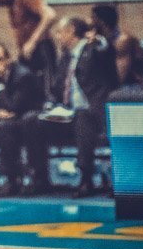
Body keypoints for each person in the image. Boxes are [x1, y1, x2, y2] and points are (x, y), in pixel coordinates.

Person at [23, 17, 118, 197]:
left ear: (71, 31)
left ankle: (85, 179)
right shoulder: (66, 57)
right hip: (67, 114)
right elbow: (58, 88)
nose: (57, 37)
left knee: (83, 116)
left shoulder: (94, 50)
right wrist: (51, 105)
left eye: (60, 32)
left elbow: (108, 54)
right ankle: (40, 178)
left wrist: (100, 40)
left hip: (93, 114)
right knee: (31, 120)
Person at [0, 43, 42, 197]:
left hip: (28, 118)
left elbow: (13, 107)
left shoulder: (23, 75)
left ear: (8, 59)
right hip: (6, 121)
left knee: (5, 126)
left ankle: (20, 178)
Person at [91, 4, 143, 87]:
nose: (90, 22)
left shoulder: (122, 41)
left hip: (132, 86)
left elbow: (120, 77)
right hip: (114, 84)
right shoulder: (102, 40)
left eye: (93, 18)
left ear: (100, 21)